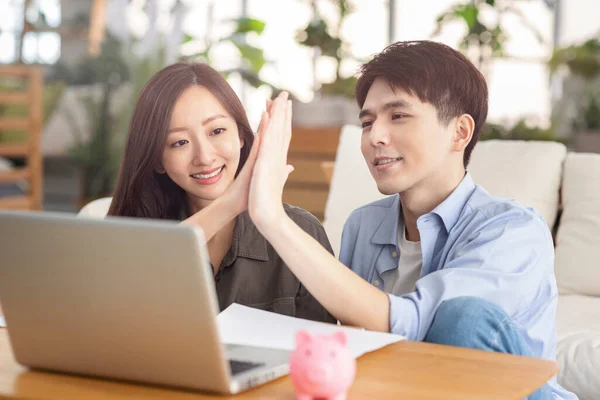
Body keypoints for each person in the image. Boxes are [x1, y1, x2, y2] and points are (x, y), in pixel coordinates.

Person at [246, 41, 576, 399]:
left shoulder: (513, 230)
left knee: (462, 318)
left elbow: (426, 325)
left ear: (460, 132)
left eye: (398, 116)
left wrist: (271, 217)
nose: (376, 136)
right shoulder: (363, 225)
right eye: (367, 122)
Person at [108, 62, 335, 324]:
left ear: (240, 134)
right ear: (158, 159)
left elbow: (324, 353)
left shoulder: (302, 232)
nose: (204, 157)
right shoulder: (130, 237)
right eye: (179, 142)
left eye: (217, 131)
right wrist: (229, 204)